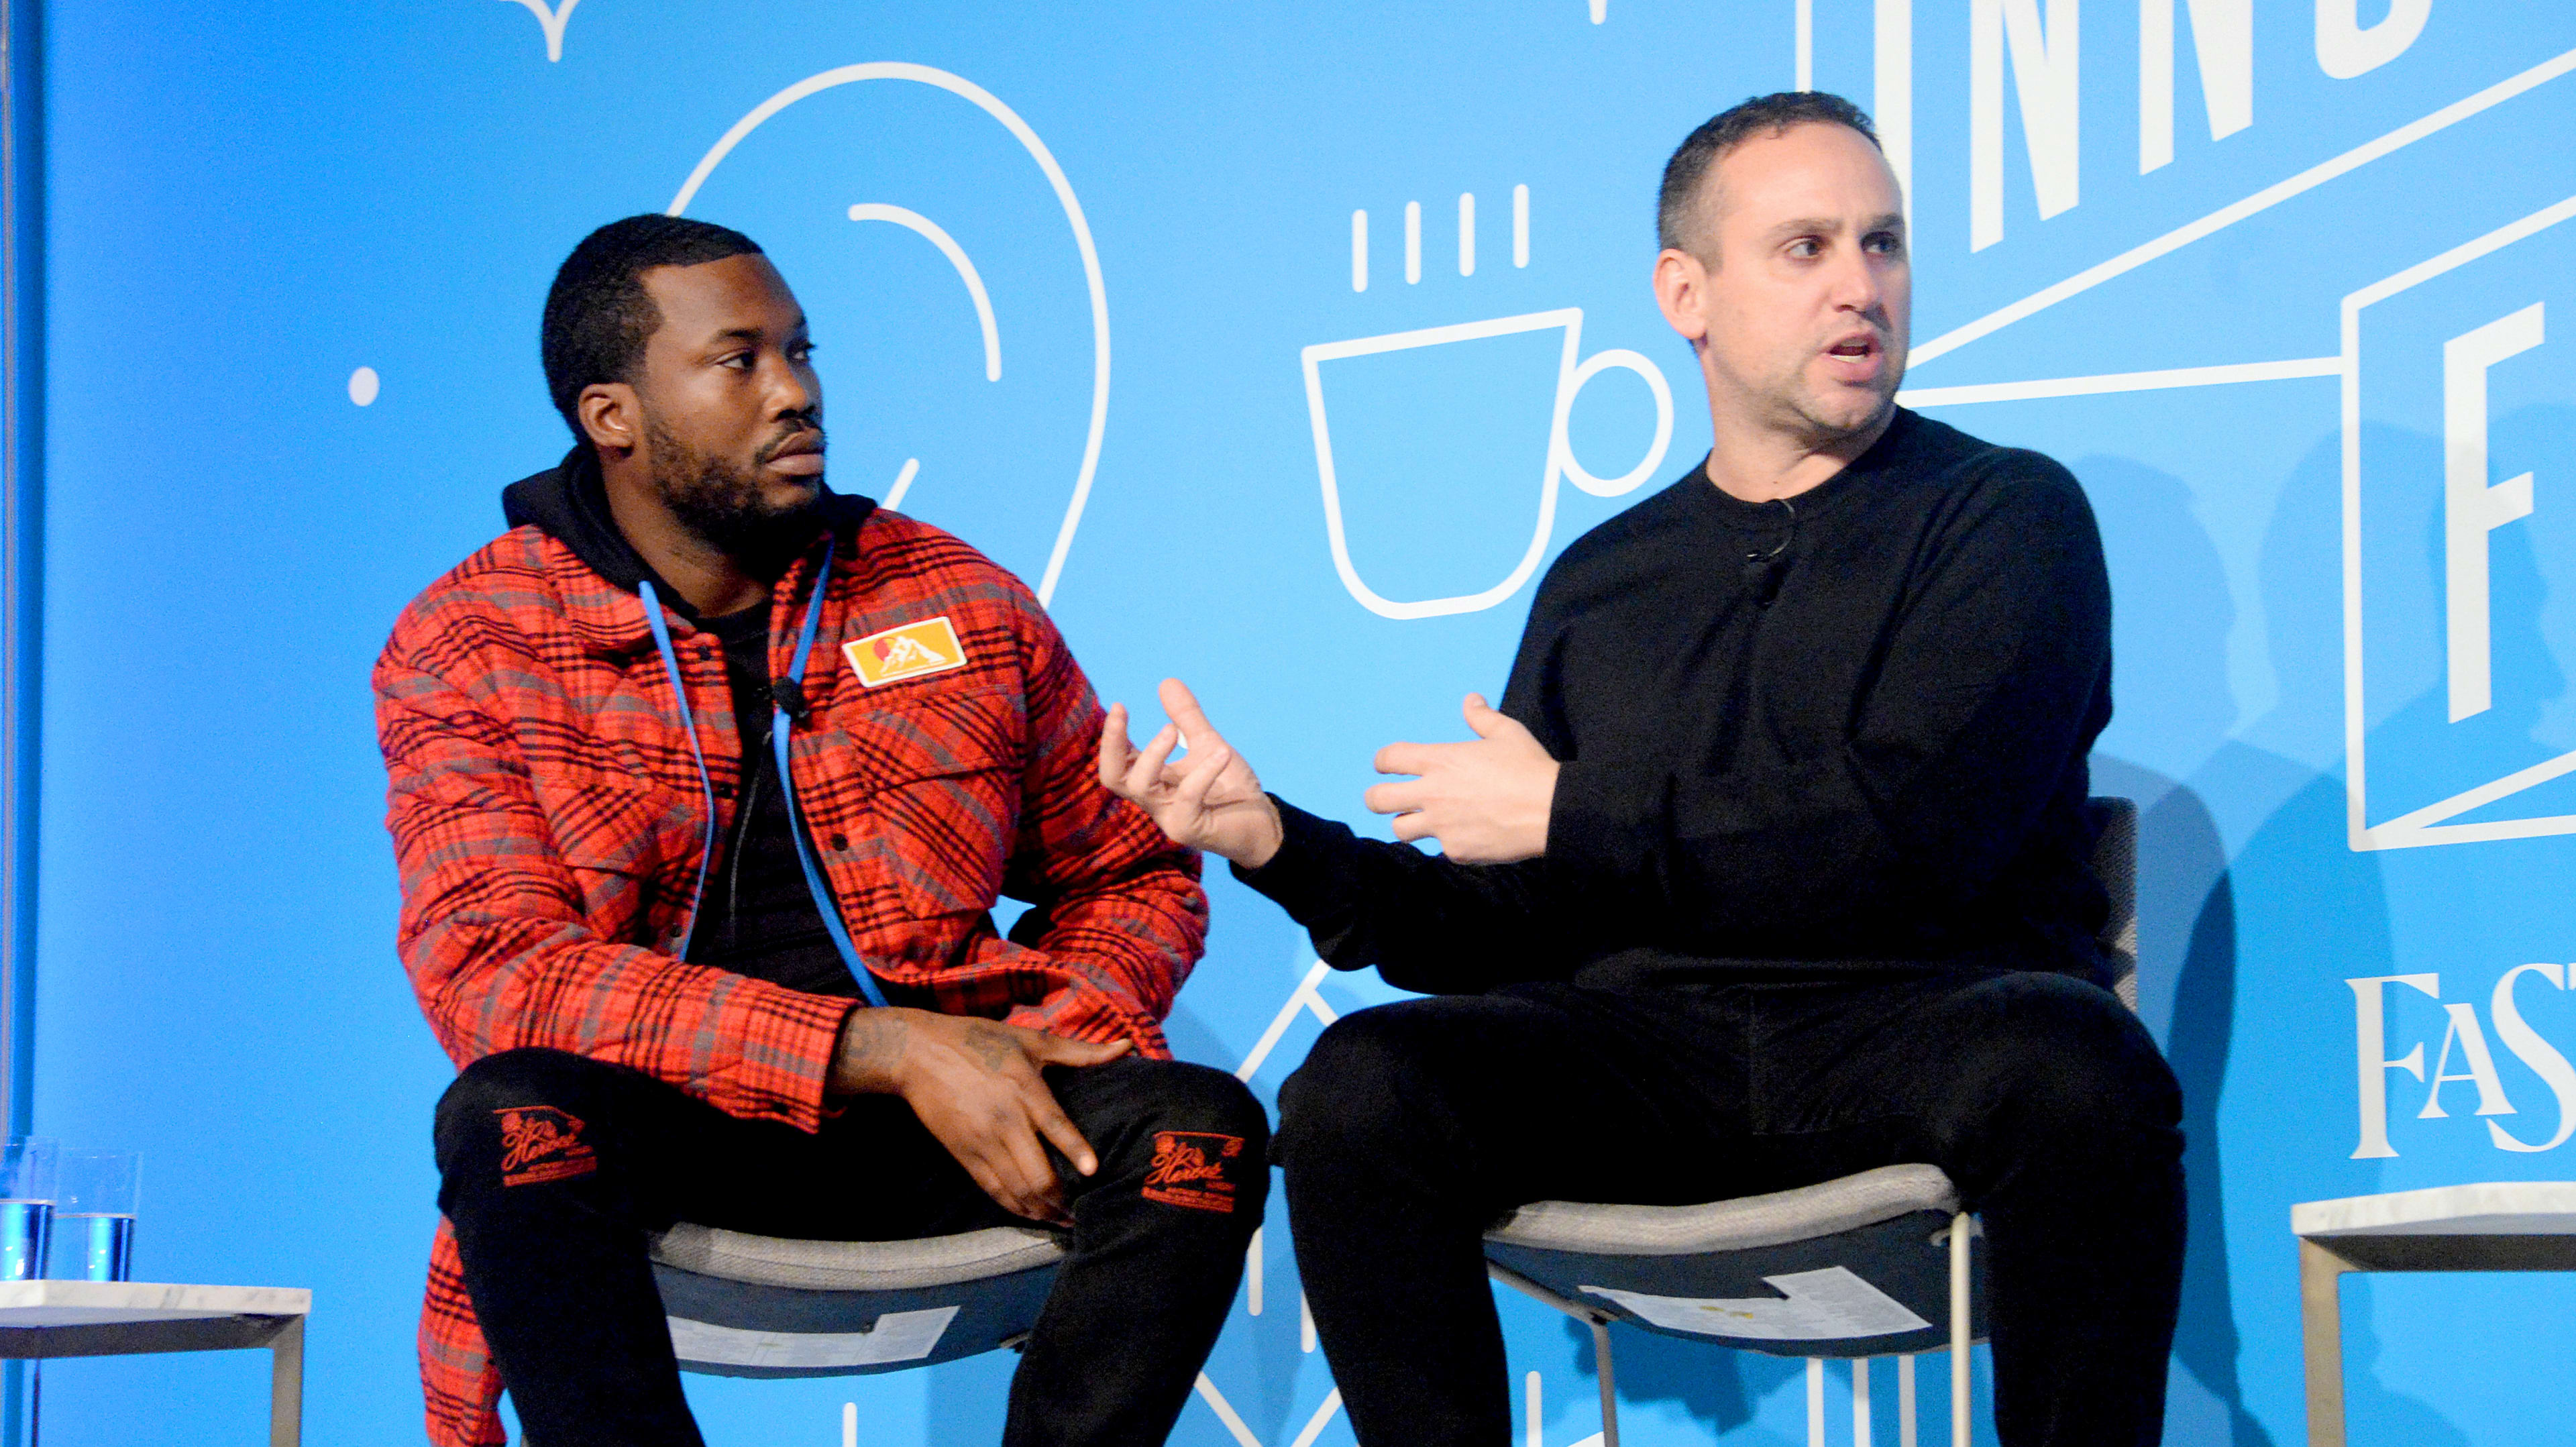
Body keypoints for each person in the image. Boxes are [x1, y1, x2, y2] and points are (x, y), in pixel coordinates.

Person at [1099, 93, 2182, 1446]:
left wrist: (1567, 805)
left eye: (1886, 242)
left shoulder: (2007, 516)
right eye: (1807, 247)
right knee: (1362, 1088)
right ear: (1688, 292)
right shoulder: (1604, 581)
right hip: (1649, 1055)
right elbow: (1513, 925)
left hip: (1920, 1021)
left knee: (2082, 1065)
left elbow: (1909, 836)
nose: (1863, 285)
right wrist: (1276, 842)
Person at [376, 214, 1264, 1447]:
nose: (797, 393)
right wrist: (884, 1046)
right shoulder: (472, 639)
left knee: (1200, 1129)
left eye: (802, 351)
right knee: (508, 1110)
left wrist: (1033, 1051)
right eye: (739, 361)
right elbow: (499, 977)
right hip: (670, 1128)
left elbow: (1132, 872)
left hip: (940, 1134)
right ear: (611, 415)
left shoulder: (954, 595)